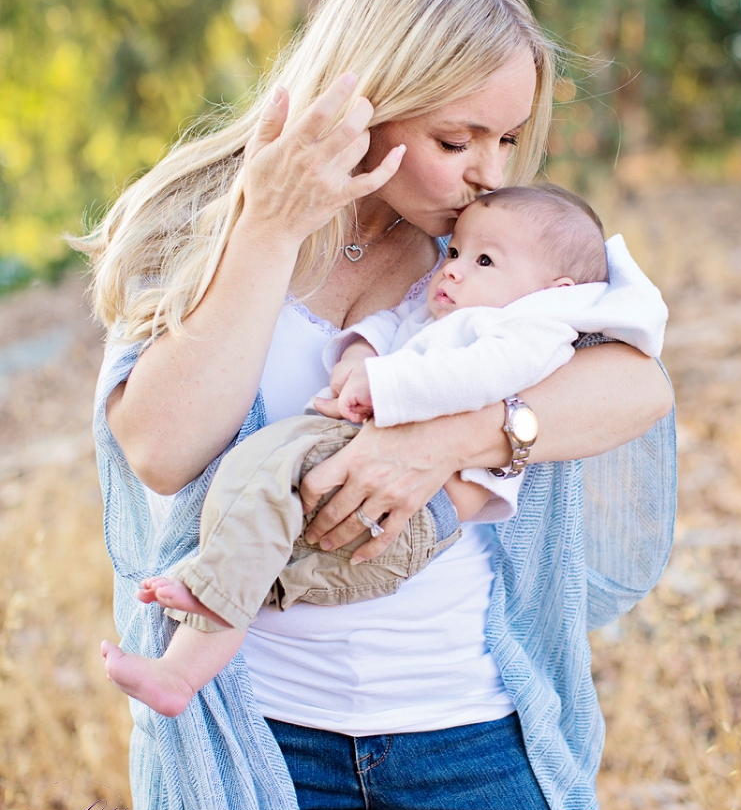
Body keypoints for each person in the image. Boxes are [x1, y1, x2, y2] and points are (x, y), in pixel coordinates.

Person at [84, 0, 676, 810]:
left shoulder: (495, 242)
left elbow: (638, 386)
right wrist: (270, 229)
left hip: (465, 720)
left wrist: (443, 441)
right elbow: (159, 448)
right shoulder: (202, 217)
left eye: (507, 141)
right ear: (371, 94)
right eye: (458, 140)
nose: (488, 172)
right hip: (261, 722)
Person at [99, 184, 668, 721]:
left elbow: (478, 376)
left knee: (266, 492)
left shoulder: (530, 330)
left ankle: (214, 601)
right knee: (261, 496)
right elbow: (395, 323)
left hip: (420, 514)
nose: (453, 267)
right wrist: (358, 355)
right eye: (458, 251)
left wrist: (384, 387)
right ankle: (186, 661)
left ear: (554, 291)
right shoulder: (452, 311)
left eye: (484, 262)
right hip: (365, 481)